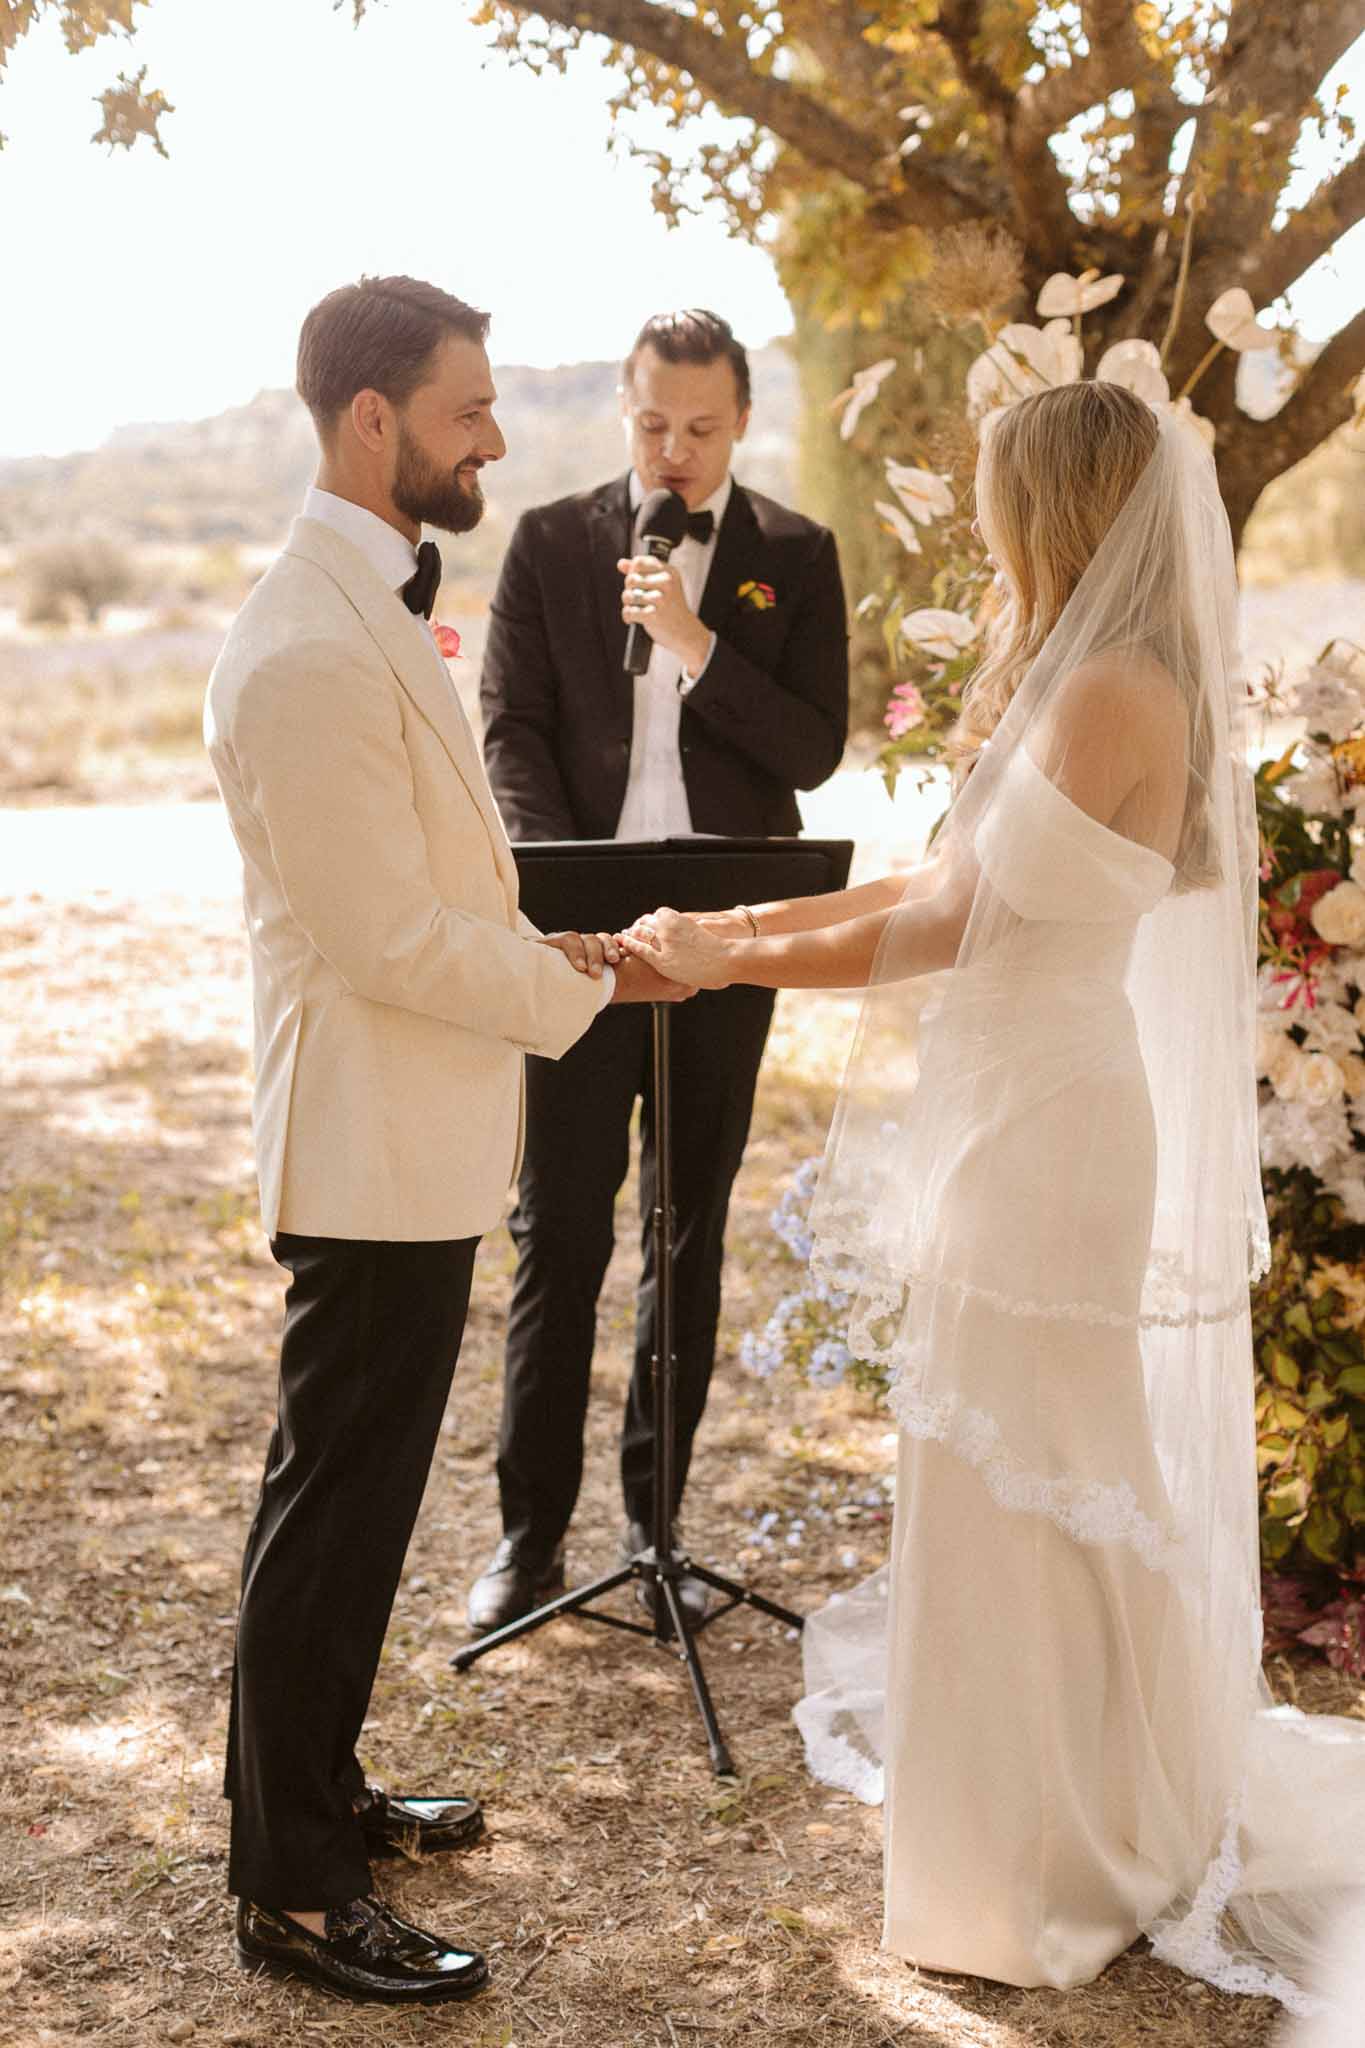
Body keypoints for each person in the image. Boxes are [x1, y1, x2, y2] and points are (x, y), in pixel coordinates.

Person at [623, 382, 1365, 2012]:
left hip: (1053, 1120)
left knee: (1037, 1475)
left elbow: (946, 930)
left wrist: (718, 967)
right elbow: (930, 889)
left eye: (992, 496)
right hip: (1017, 1104)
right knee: (999, 1469)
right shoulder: (1078, 674)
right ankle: (1029, 1827)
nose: (974, 520)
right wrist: (730, 935)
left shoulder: (1112, 687)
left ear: (1056, 510)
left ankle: (1055, 1855)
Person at [205, 275, 689, 2005]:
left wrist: (536, 945)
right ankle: (296, 1890)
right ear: (370, 420)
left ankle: (318, 1791)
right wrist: (587, 992)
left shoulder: (366, 616)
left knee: (356, 1501)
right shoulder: (302, 648)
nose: (492, 435)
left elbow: (429, 896)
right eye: (468, 407)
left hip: (414, 1133)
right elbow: (386, 942)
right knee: (330, 1513)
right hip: (362, 1142)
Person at [469, 309, 849, 1633]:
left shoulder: (796, 555)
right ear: (621, 413)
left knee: (683, 1230)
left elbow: (810, 751)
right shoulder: (550, 539)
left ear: (740, 418)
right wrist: (552, 882)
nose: (672, 452)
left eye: (698, 427)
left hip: (726, 938)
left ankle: (654, 1528)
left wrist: (695, 645)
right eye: (649, 424)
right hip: (576, 941)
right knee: (554, 1231)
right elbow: (508, 721)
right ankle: (526, 1540)